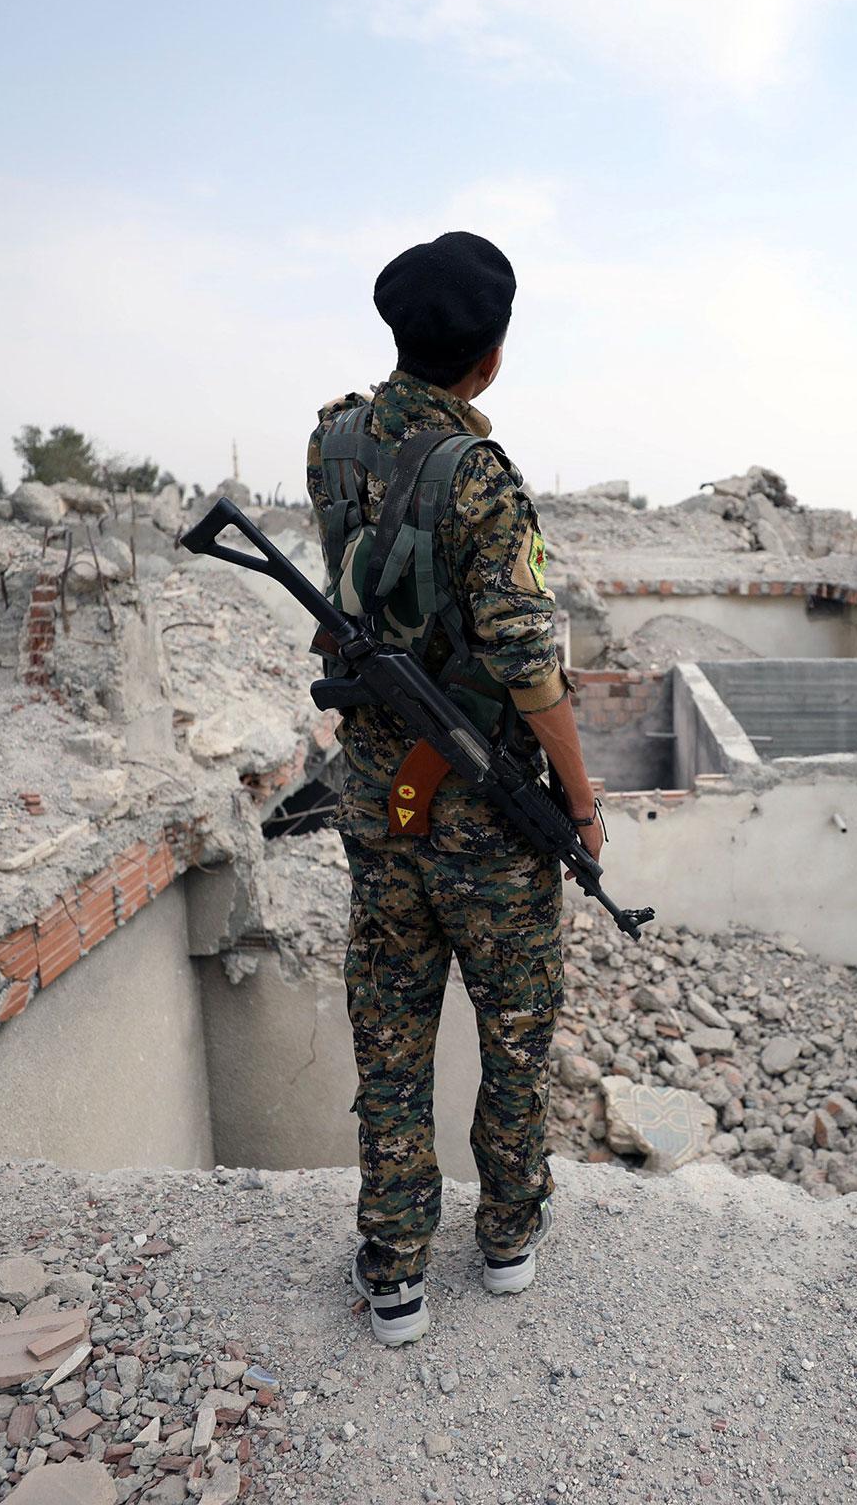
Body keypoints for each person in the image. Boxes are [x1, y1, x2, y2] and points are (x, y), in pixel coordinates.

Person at [303, 231, 603, 1346]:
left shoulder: (330, 438)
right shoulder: (479, 477)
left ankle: (393, 1268)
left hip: (380, 804)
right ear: (489, 355)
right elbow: (530, 666)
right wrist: (580, 808)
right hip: (481, 812)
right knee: (513, 1035)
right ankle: (508, 1236)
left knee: (390, 1037)